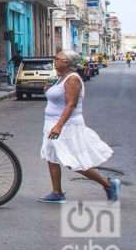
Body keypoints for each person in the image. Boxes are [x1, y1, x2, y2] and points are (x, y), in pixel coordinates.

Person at [38, 51, 121, 203]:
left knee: (73, 161)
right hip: (51, 123)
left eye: (58, 59)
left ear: (67, 63)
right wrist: (47, 90)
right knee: (51, 157)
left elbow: (71, 104)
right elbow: (59, 100)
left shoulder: (72, 79)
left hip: (66, 126)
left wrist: (58, 126)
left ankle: (109, 184)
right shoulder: (61, 78)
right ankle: (57, 193)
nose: (54, 60)